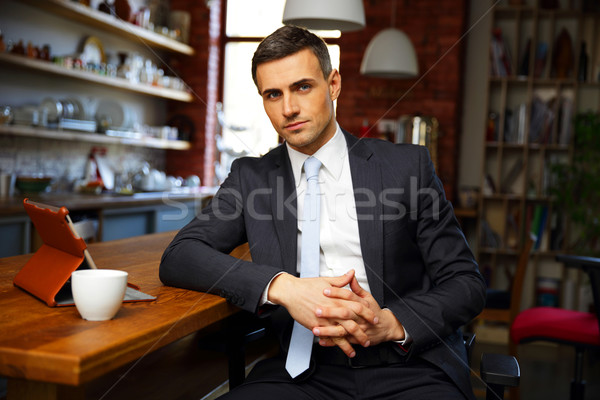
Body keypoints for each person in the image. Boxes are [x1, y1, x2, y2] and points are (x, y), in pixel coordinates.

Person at [160, 25, 486, 400]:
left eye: (302, 87)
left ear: (333, 85)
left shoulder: (406, 167)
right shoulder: (251, 178)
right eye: (273, 94)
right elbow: (179, 256)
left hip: (409, 365)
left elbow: (466, 283)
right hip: (302, 373)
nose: (288, 109)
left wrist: (390, 323)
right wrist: (284, 288)